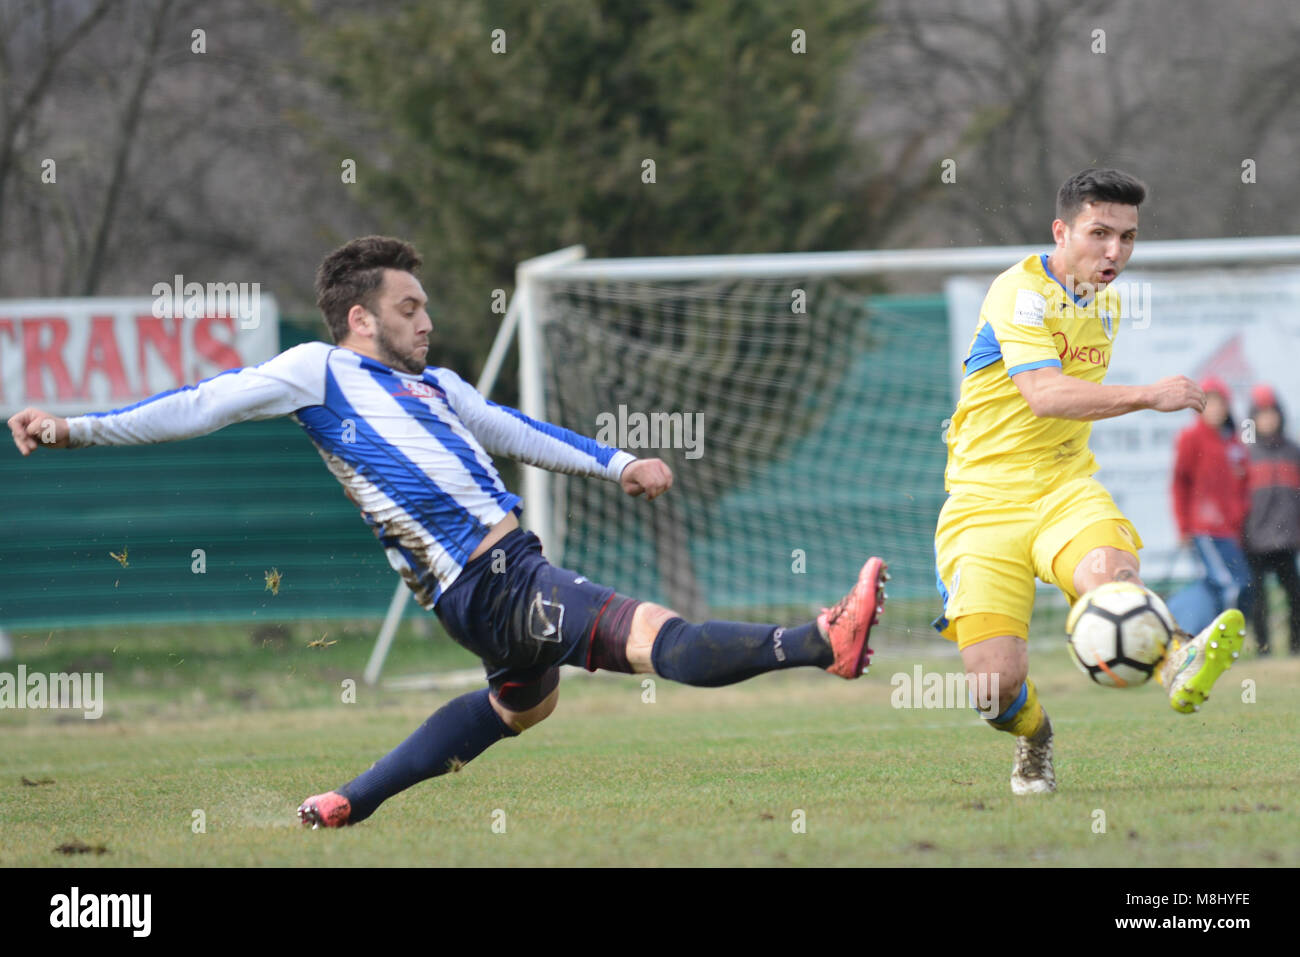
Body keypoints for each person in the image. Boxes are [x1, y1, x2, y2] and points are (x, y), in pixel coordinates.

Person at [7, 235, 888, 828]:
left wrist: (616, 461)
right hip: (495, 577)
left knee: (521, 706)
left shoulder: (438, 387)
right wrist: (78, 425)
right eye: (409, 306)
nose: (426, 319)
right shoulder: (318, 372)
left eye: (426, 306)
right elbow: (199, 404)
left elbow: (512, 428)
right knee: (662, 638)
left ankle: (350, 801)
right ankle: (818, 641)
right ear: (362, 318)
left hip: (491, 584)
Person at [933, 168, 1245, 796]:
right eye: (1099, 234)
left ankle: (1175, 656)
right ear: (1061, 231)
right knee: (993, 691)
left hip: (1064, 490)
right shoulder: (1017, 293)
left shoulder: (1104, 299)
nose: (1114, 253)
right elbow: (1044, 395)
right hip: (982, 504)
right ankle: (1035, 736)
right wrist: (1149, 395)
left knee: (1110, 575)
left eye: (1127, 238)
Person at [1166, 376, 1252, 637]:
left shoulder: (1233, 442)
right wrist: (1183, 527)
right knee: (1231, 584)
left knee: (1228, 583)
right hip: (1204, 529)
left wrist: (1240, 519)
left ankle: (1189, 631)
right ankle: (1222, 640)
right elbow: (1180, 484)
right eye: (1208, 403)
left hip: (1230, 531)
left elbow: (1243, 485)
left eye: (1218, 403)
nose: (1214, 409)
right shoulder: (1191, 438)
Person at [1242, 384, 1300, 655]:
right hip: (1254, 539)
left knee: (1294, 597)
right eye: (1262, 414)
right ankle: (1263, 647)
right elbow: (1237, 497)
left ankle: (1295, 646)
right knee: (1259, 599)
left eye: (1272, 413)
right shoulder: (1246, 452)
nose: (1268, 419)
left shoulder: (1292, 451)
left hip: (1287, 538)